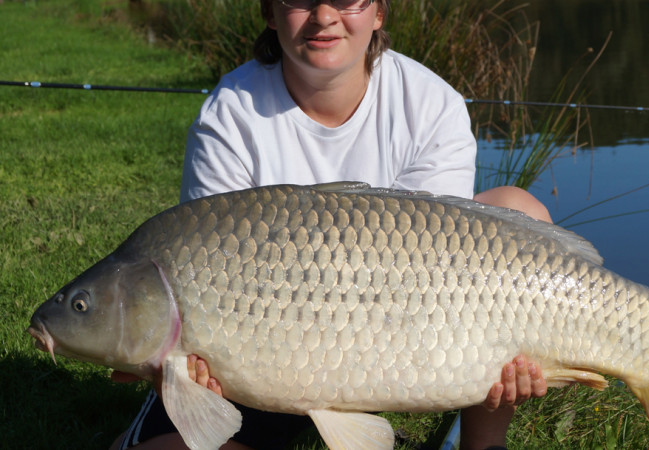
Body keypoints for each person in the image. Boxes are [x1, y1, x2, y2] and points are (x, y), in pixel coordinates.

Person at [111, 0, 550, 449]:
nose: (324, 15)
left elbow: (439, 261)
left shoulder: (431, 103)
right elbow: (201, 267)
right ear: (269, 12)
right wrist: (184, 372)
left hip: (396, 342)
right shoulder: (230, 115)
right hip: (255, 360)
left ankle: (484, 444)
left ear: (379, 13)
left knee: (520, 214)